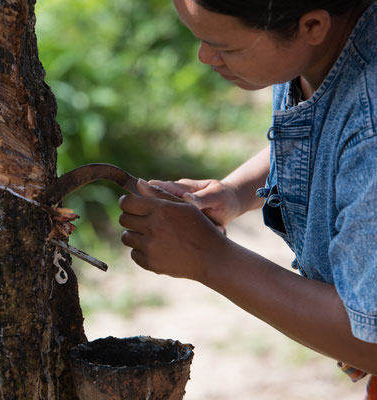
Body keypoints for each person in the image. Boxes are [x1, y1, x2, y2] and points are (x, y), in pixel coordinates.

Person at [118, 0, 377, 397]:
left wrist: (211, 258)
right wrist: (234, 192)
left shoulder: (371, 126)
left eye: (227, 47)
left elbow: (370, 341)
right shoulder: (320, 46)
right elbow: (323, 133)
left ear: (311, 25)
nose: (204, 56)